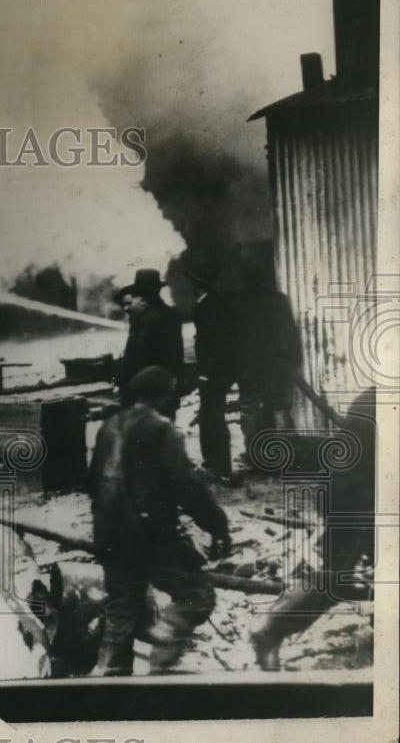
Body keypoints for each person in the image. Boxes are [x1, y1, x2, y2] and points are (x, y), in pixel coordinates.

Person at [87, 365, 232, 675]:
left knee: (121, 614)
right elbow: (188, 486)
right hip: (150, 536)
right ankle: (162, 653)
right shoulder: (162, 429)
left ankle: (108, 686)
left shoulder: (108, 427)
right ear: (164, 398)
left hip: (110, 536)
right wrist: (218, 527)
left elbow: (92, 484)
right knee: (197, 595)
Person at [251, 388, 376, 670]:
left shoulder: (374, 396)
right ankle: (272, 628)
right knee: (334, 575)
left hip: (350, 491)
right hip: (359, 498)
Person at [232, 256, 302, 466]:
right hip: (276, 366)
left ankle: (255, 459)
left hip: (248, 367)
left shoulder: (235, 301)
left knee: (250, 409)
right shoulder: (278, 300)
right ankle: (287, 459)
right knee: (280, 408)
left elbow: (231, 338)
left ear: (243, 276)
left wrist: (236, 366)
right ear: (264, 277)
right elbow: (290, 334)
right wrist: (293, 360)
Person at [187, 263, 237, 478]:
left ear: (198, 284)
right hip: (217, 370)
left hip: (214, 372)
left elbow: (217, 343)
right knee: (210, 415)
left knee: (211, 416)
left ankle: (218, 463)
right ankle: (216, 462)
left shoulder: (208, 306)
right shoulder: (213, 303)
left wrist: (207, 371)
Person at [113, 269, 184, 419]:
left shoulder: (147, 318)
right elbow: (177, 355)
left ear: (143, 297)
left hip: (146, 388)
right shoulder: (169, 314)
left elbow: (137, 355)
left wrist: (122, 383)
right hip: (163, 386)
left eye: (139, 295)